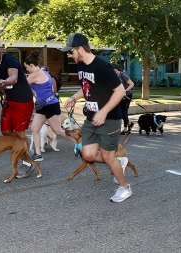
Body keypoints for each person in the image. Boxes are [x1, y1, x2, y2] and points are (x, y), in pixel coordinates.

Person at [62, 33, 131, 203]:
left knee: (107, 156)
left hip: (109, 118)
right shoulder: (81, 66)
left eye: (71, 52)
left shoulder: (102, 67)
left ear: (80, 49)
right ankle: (118, 162)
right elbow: (87, 88)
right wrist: (74, 97)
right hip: (92, 118)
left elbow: (121, 91)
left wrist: (104, 111)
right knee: (88, 154)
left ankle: (124, 187)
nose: (70, 55)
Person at [0, 42, 34, 178]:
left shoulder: (10, 60)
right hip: (9, 101)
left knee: (20, 133)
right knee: (5, 131)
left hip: (23, 100)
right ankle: (24, 151)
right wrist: (2, 90)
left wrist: (4, 82)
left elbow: (13, 78)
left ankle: (28, 163)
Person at [23, 51, 75, 161]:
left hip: (50, 106)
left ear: (32, 65)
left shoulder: (35, 75)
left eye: (27, 67)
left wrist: (7, 84)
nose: (26, 70)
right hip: (43, 106)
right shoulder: (44, 72)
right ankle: (38, 153)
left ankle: (79, 145)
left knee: (58, 131)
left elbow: (22, 86)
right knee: (34, 129)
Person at [111, 63, 135, 135]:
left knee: (124, 112)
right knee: (120, 112)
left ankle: (125, 129)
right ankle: (129, 124)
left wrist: (125, 91)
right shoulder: (113, 76)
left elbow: (132, 84)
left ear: (117, 69)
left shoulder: (122, 75)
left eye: (113, 70)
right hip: (119, 96)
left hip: (127, 95)